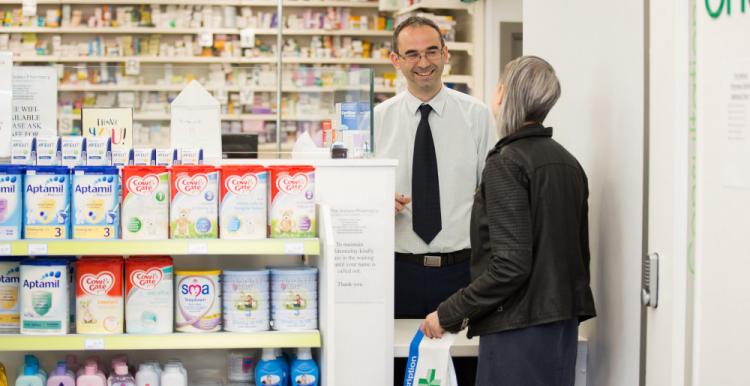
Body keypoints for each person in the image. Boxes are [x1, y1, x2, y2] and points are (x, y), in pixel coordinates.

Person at [419, 56, 597, 386]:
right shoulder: (567, 163)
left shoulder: (507, 163)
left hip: (519, 330)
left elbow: (510, 265)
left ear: (504, 93)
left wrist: (449, 313)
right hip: (561, 325)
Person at [373, 16, 496, 384]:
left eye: (431, 51)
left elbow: (492, 195)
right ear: (395, 60)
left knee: (464, 366)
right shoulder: (376, 121)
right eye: (411, 54)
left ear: (445, 54)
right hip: (398, 273)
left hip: (461, 273)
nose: (423, 62)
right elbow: (355, 201)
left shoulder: (477, 116)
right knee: (397, 368)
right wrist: (376, 201)